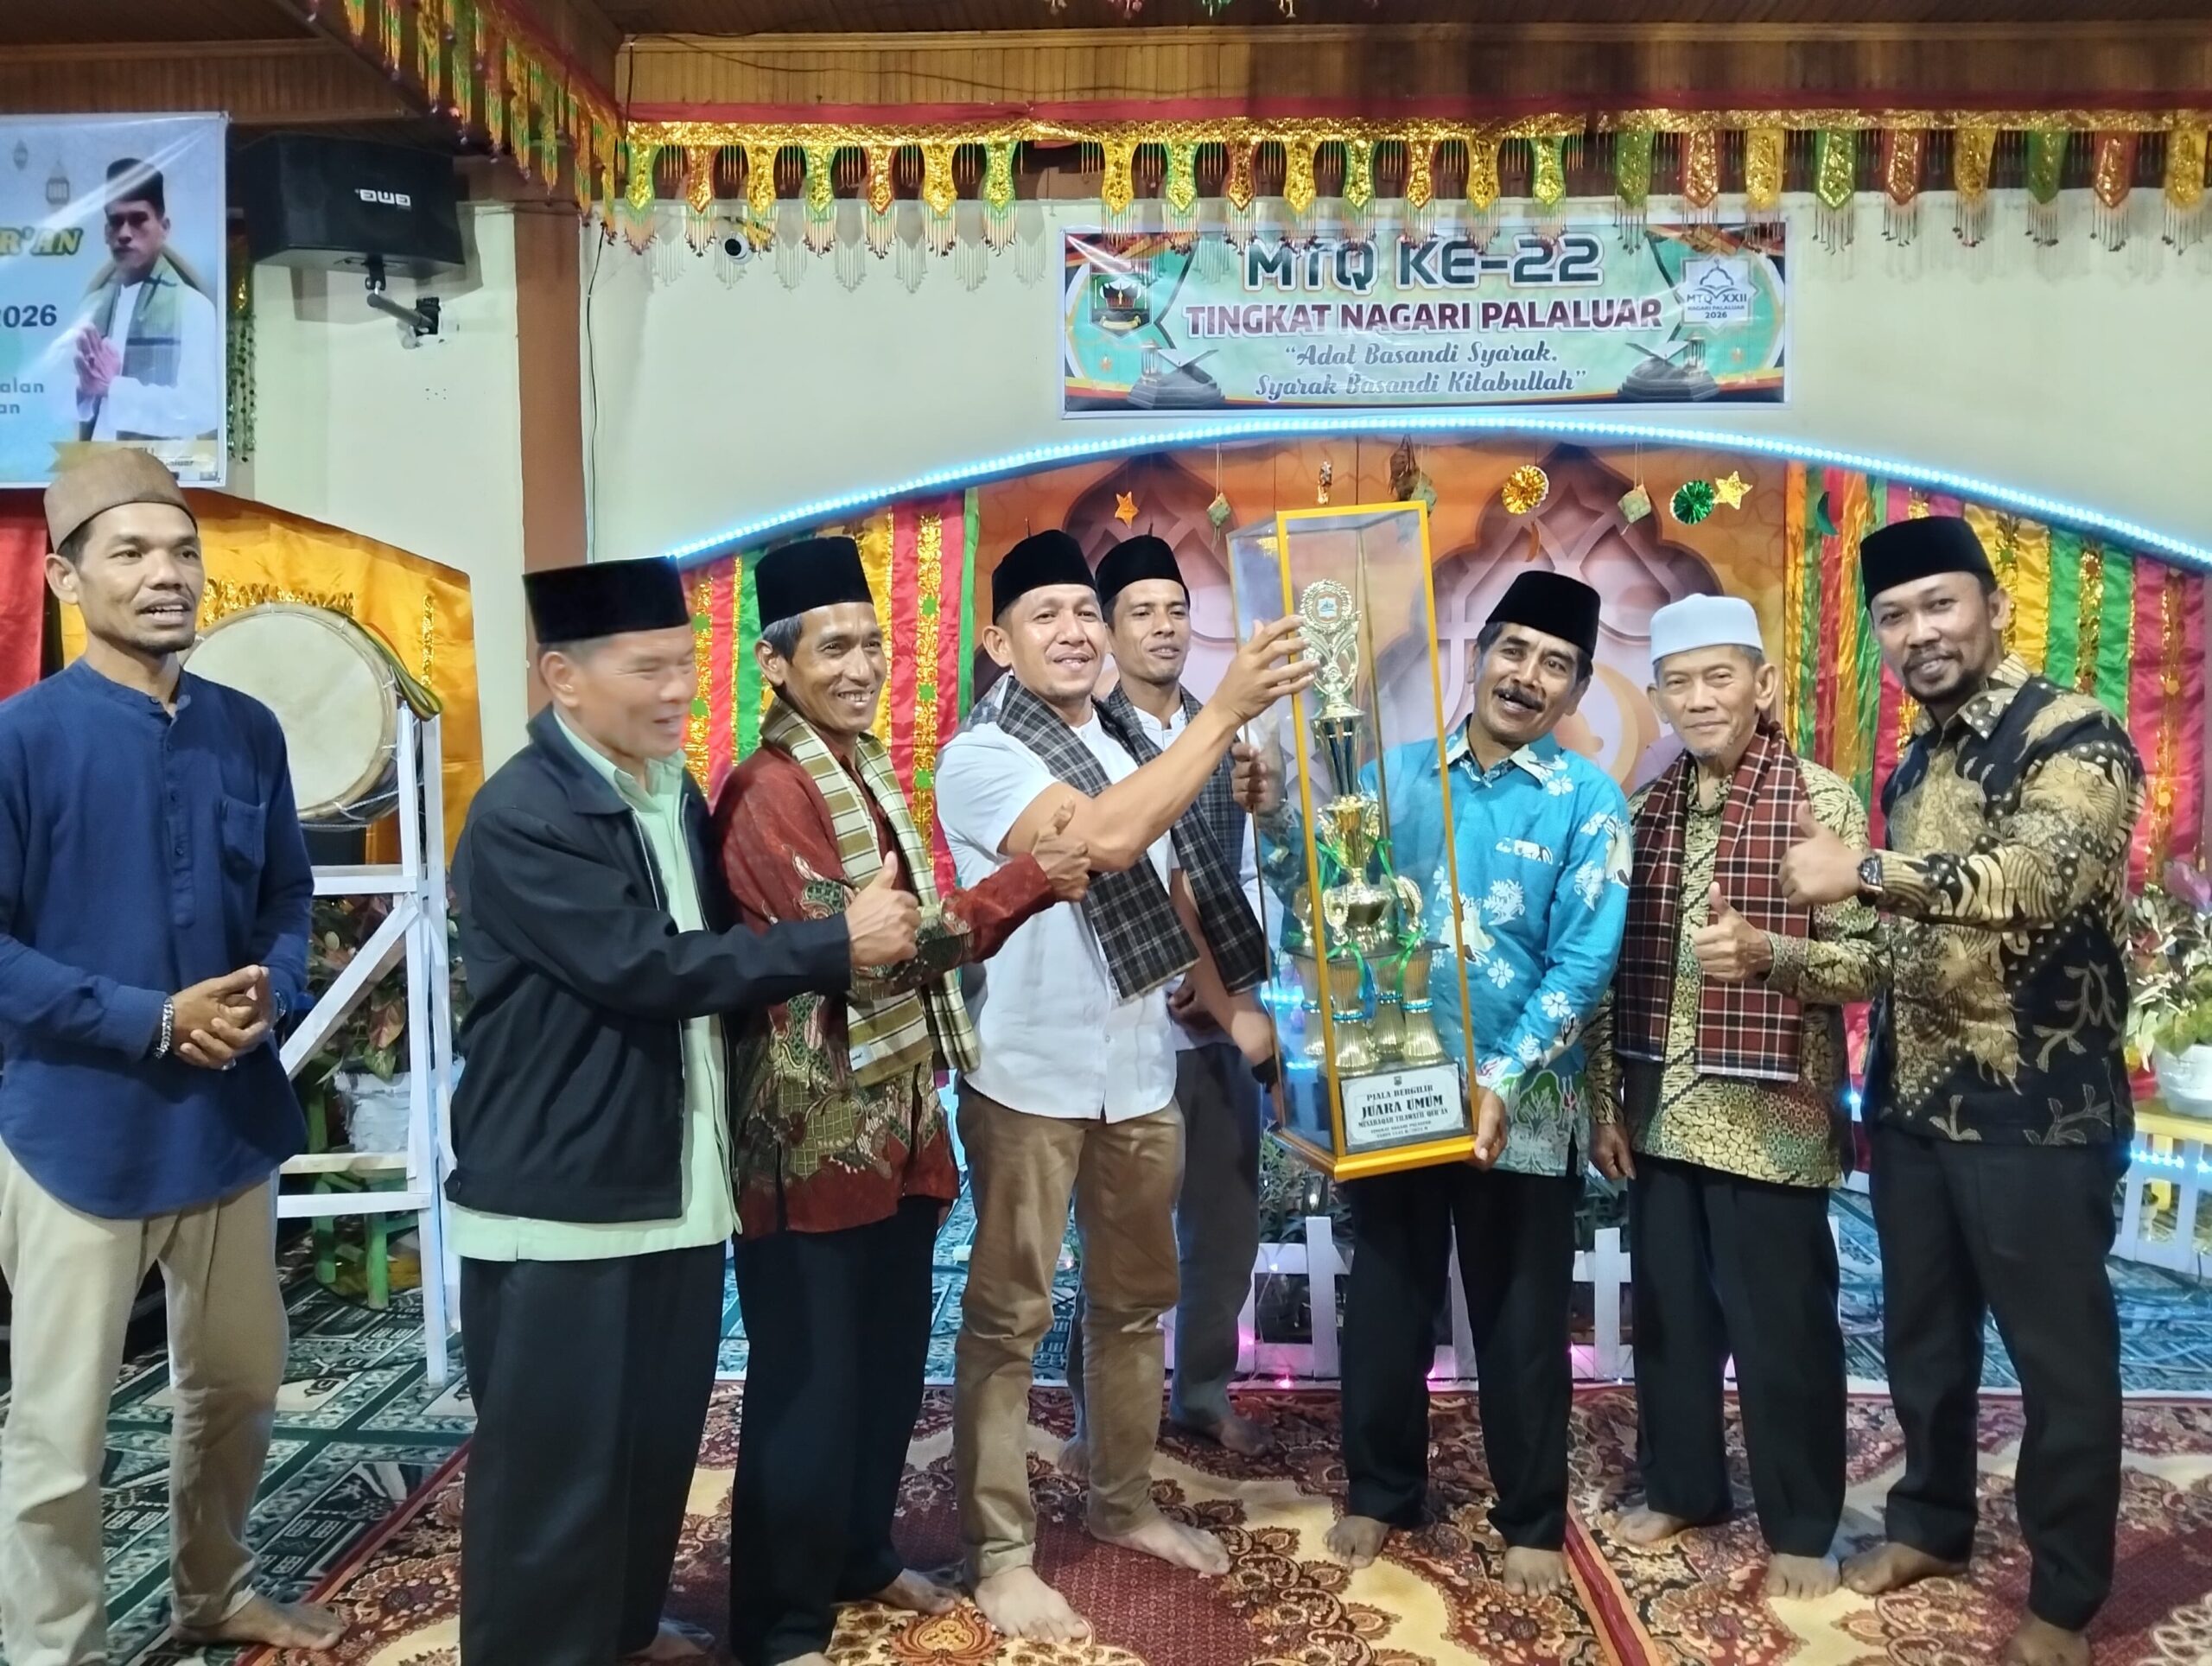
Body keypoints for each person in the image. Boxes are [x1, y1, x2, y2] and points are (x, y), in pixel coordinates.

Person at [446, 556, 920, 1666]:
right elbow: (645, 966)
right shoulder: (525, 812)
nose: (675, 692)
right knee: (556, 1475)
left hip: (673, 1175)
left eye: (683, 665)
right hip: (566, 1190)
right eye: (647, 669)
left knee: (652, 1445)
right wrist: (834, 943)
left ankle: (618, 1630)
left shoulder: (667, 787)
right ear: (563, 677)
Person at [1765, 517, 2141, 1666]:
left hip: (2039, 1111)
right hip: (1918, 1106)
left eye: (1941, 604)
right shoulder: (1917, 761)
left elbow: (2042, 875)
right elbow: (1911, 948)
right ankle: (1931, 1524)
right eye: (1895, 616)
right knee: (1923, 1339)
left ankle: (2064, 1600)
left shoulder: (2073, 735)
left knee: (2059, 1361)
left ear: (1994, 607)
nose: (1920, 632)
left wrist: (1864, 870)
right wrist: (1780, 958)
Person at [711, 537, 1090, 1666]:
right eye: (834, 647)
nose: (861, 666)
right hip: (809, 1137)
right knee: (808, 1382)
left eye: (871, 643)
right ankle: (779, 1620)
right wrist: (1028, 882)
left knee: (886, 1362)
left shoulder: (866, 769)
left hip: (898, 1124)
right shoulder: (765, 791)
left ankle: (858, 1553)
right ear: (775, 664)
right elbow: (876, 949)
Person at [934, 529, 1311, 1643]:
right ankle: (1002, 1553)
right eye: (1044, 614)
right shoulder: (984, 754)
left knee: (1134, 1303)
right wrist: (1223, 712)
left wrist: (1232, 1008)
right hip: (1028, 1071)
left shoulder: (1132, 733)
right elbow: (1103, 837)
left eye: (1082, 612)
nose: (1073, 631)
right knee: (1009, 1316)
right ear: (999, 639)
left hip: (1139, 1066)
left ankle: (1122, 1499)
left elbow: (1181, 882)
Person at [0, 449, 340, 1666]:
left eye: (182, 551)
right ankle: (55, 1648)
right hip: (76, 1129)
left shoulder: (246, 730)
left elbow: (288, 897)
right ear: (66, 576)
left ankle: (216, 1589)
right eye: (132, 552)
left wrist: (269, 991)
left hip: (226, 1121)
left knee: (239, 1384)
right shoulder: (22, 740)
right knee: (60, 1430)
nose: (165, 575)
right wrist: (149, 1017)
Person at [1296, 570, 1631, 1596]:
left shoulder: (1587, 801)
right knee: (1385, 1300)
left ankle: (1529, 1514)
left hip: (1520, 1104)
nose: (1526, 675)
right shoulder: (1390, 778)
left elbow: (1583, 962)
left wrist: (1502, 1076)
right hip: (1396, 1087)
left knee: (1521, 1319)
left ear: (1576, 690)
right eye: (1512, 649)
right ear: (1477, 655)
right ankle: (1380, 1488)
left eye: (1555, 664)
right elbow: (1327, 897)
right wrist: (1278, 817)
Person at [1584, 594, 1874, 1600]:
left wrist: (1768, 955)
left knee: (1782, 1331)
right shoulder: (1644, 811)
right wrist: (1603, 1100)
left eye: (1719, 676)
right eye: (1679, 681)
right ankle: (1684, 1485)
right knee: (1671, 1321)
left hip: (1771, 1123)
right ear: (1658, 697)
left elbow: (1869, 963)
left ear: (1764, 683)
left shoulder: (1822, 804)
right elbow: (1604, 971)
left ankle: (1802, 1524)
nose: (1700, 698)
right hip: (1660, 1113)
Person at [1060, 533, 1274, 1466]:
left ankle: (1201, 1391)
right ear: (1107, 632)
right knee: (1120, 1238)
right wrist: (1185, 978)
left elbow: (1249, 873)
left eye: (1177, 610)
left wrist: (1269, 805)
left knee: (1225, 1228)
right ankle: (1096, 1415)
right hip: (1127, 1026)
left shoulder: (1229, 733)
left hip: (1220, 1027)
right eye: (1140, 611)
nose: (1163, 627)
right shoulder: (1083, 737)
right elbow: (1106, 879)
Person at [69, 160, 222, 444]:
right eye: (116, 221)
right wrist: (84, 391)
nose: (125, 233)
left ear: (164, 228)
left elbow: (202, 409)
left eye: (138, 219)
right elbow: (56, 401)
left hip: (161, 468)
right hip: (92, 463)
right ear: (106, 232)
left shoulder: (193, 307)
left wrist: (113, 388)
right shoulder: (91, 309)